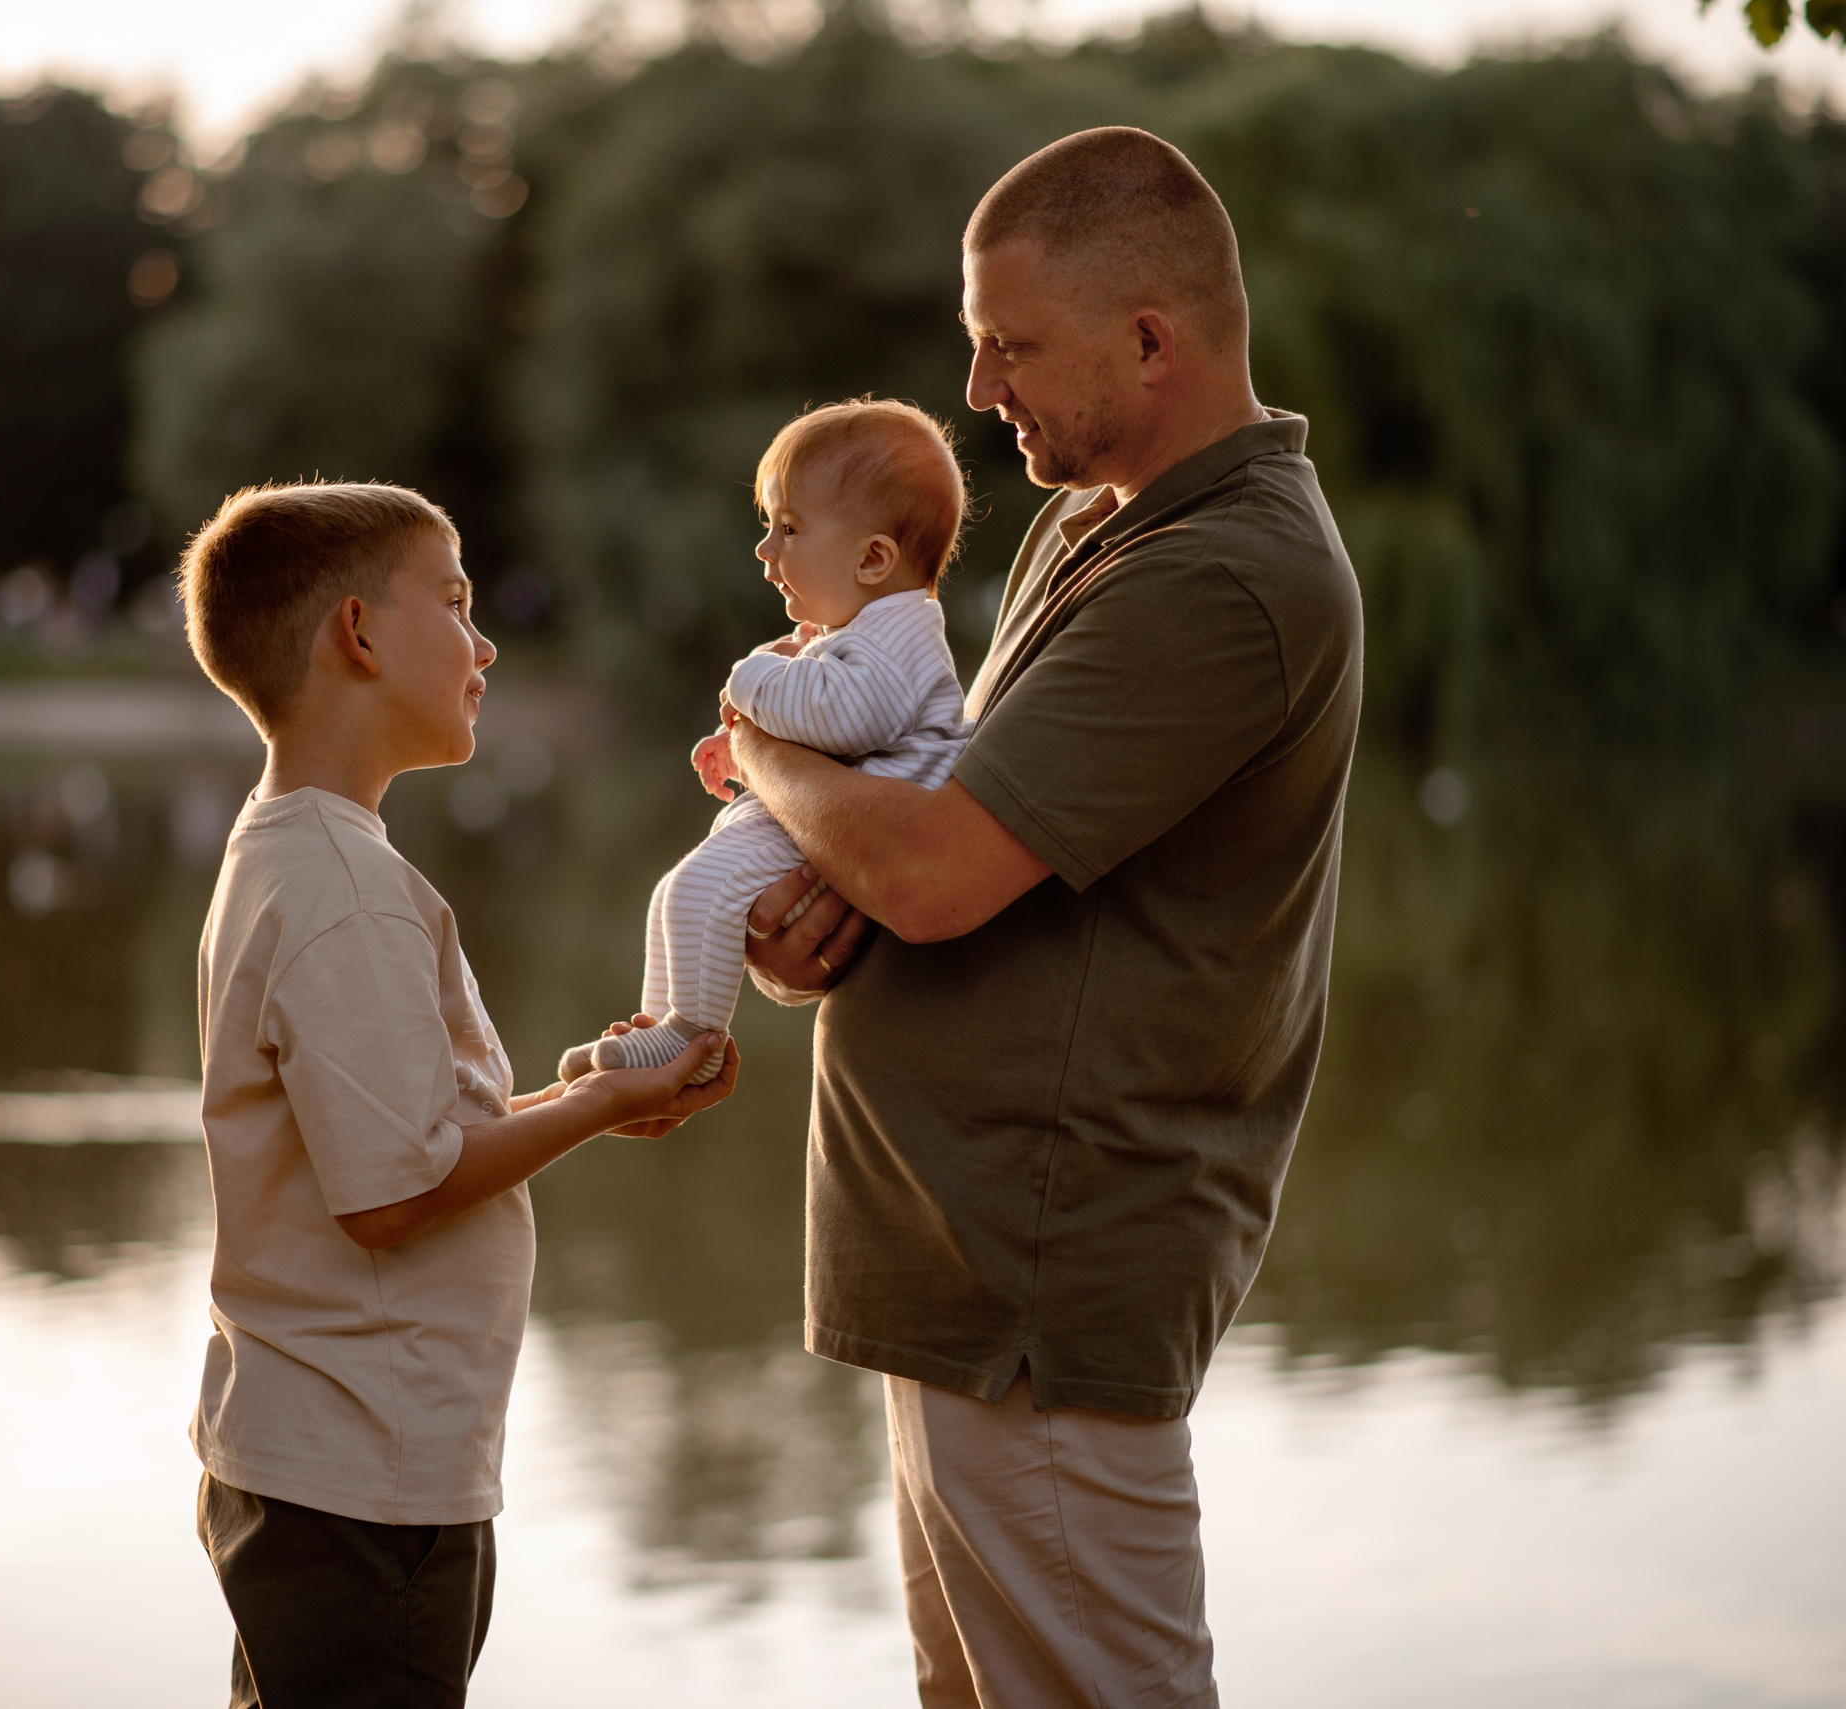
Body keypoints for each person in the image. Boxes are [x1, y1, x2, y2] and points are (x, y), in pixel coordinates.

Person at [728, 128, 1365, 1707]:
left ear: (1150, 339)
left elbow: (939, 866)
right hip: (962, 1273)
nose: (974, 390)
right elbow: (962, 858)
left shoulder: (1224, 573)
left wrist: (762, 751)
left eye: (1008, 345)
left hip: (1045, 1280)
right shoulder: (1095, 527)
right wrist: (819, 932)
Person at [177, 480, 738, 1709]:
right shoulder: (348, 890)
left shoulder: (291, 849)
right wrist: (589, 1111)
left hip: (318, 1459)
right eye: (456, 600)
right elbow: (396, 1192)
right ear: (360, 636)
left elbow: (400, 1136)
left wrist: (582, 1088)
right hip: (362, 1481)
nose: (485, 643)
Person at [556, 399, 971, 1086]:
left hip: (867, 823)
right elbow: (828, 721)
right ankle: (665, 1027)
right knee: (676, 890)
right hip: (836, 817)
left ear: (873, 558)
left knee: (702, 890)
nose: (766, 550)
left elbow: (849, 720)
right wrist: (747, 742)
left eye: (789, 529)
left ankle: (694, 1041)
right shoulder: (862, 630)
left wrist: (751, 678)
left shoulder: (903, 631)